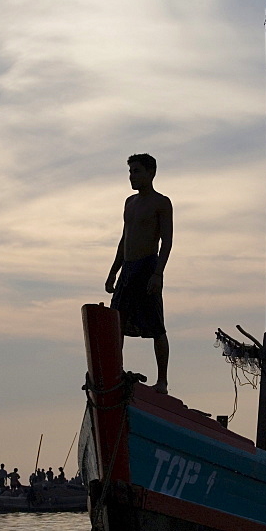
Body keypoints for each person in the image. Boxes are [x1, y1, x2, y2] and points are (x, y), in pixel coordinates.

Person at [106, 153, 173, 394]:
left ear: (150, 173)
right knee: (117, 322)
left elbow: (167, 242)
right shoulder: (129, 203)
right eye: (130, 172)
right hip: (128, 268)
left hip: (148, 267)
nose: (132, 177)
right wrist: (113, 271)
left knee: (156, 326)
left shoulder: (161, 203)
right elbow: (124, 239)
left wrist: (158, 274)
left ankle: (162, 381)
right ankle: (116, 371)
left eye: (137, 171)